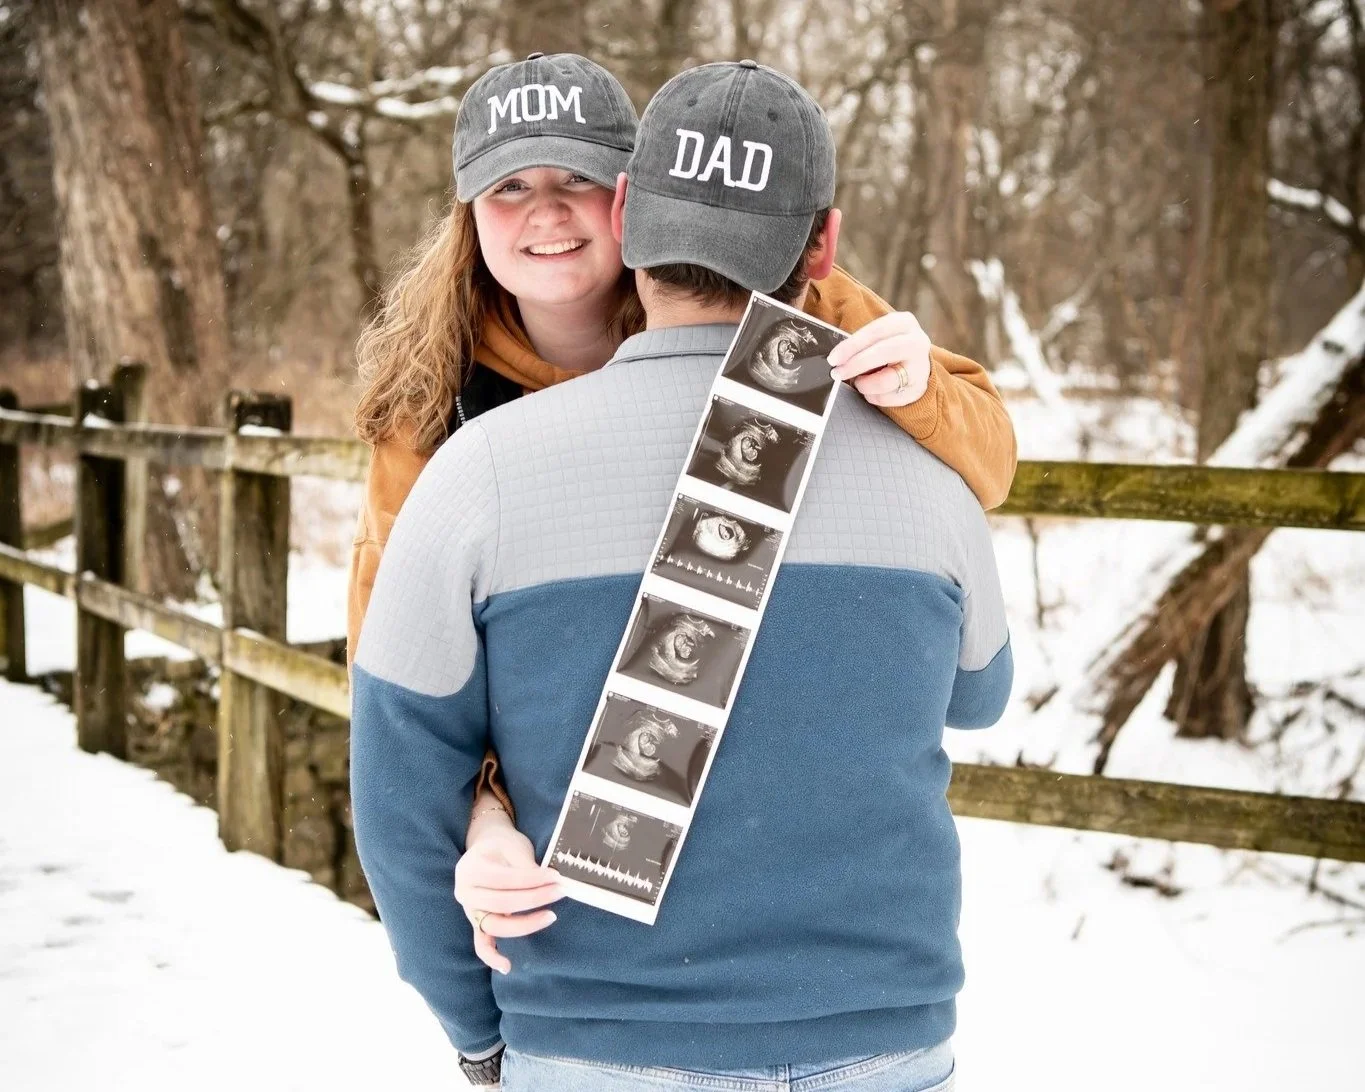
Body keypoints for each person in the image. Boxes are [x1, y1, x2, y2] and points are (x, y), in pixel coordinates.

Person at [351, 58, 1012, 1092]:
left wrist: (920, 402)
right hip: (789, 1005)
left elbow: (978, 448)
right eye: (509, 187)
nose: (546, 215)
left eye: (574, 181)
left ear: (627, 201)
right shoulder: (435, 431)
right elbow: (403, 726)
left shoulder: (814, 324)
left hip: (632, 1021)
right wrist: (485, 816)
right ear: (467, 215)